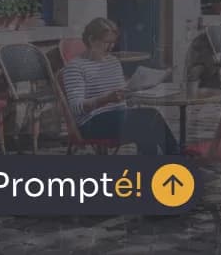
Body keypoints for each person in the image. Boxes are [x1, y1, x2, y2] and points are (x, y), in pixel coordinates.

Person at [62, 18, 179, 155]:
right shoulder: (75, 67)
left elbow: (123, 92)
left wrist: (136, 91)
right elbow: (76, 107)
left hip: (119, 115)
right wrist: (106, 99)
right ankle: (177, 160)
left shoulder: (113, 62)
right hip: (91, 122)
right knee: (147, 120)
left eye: (113, 43)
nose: (111, 47)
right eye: (106, 42)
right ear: (92, 40)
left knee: (150, 119)